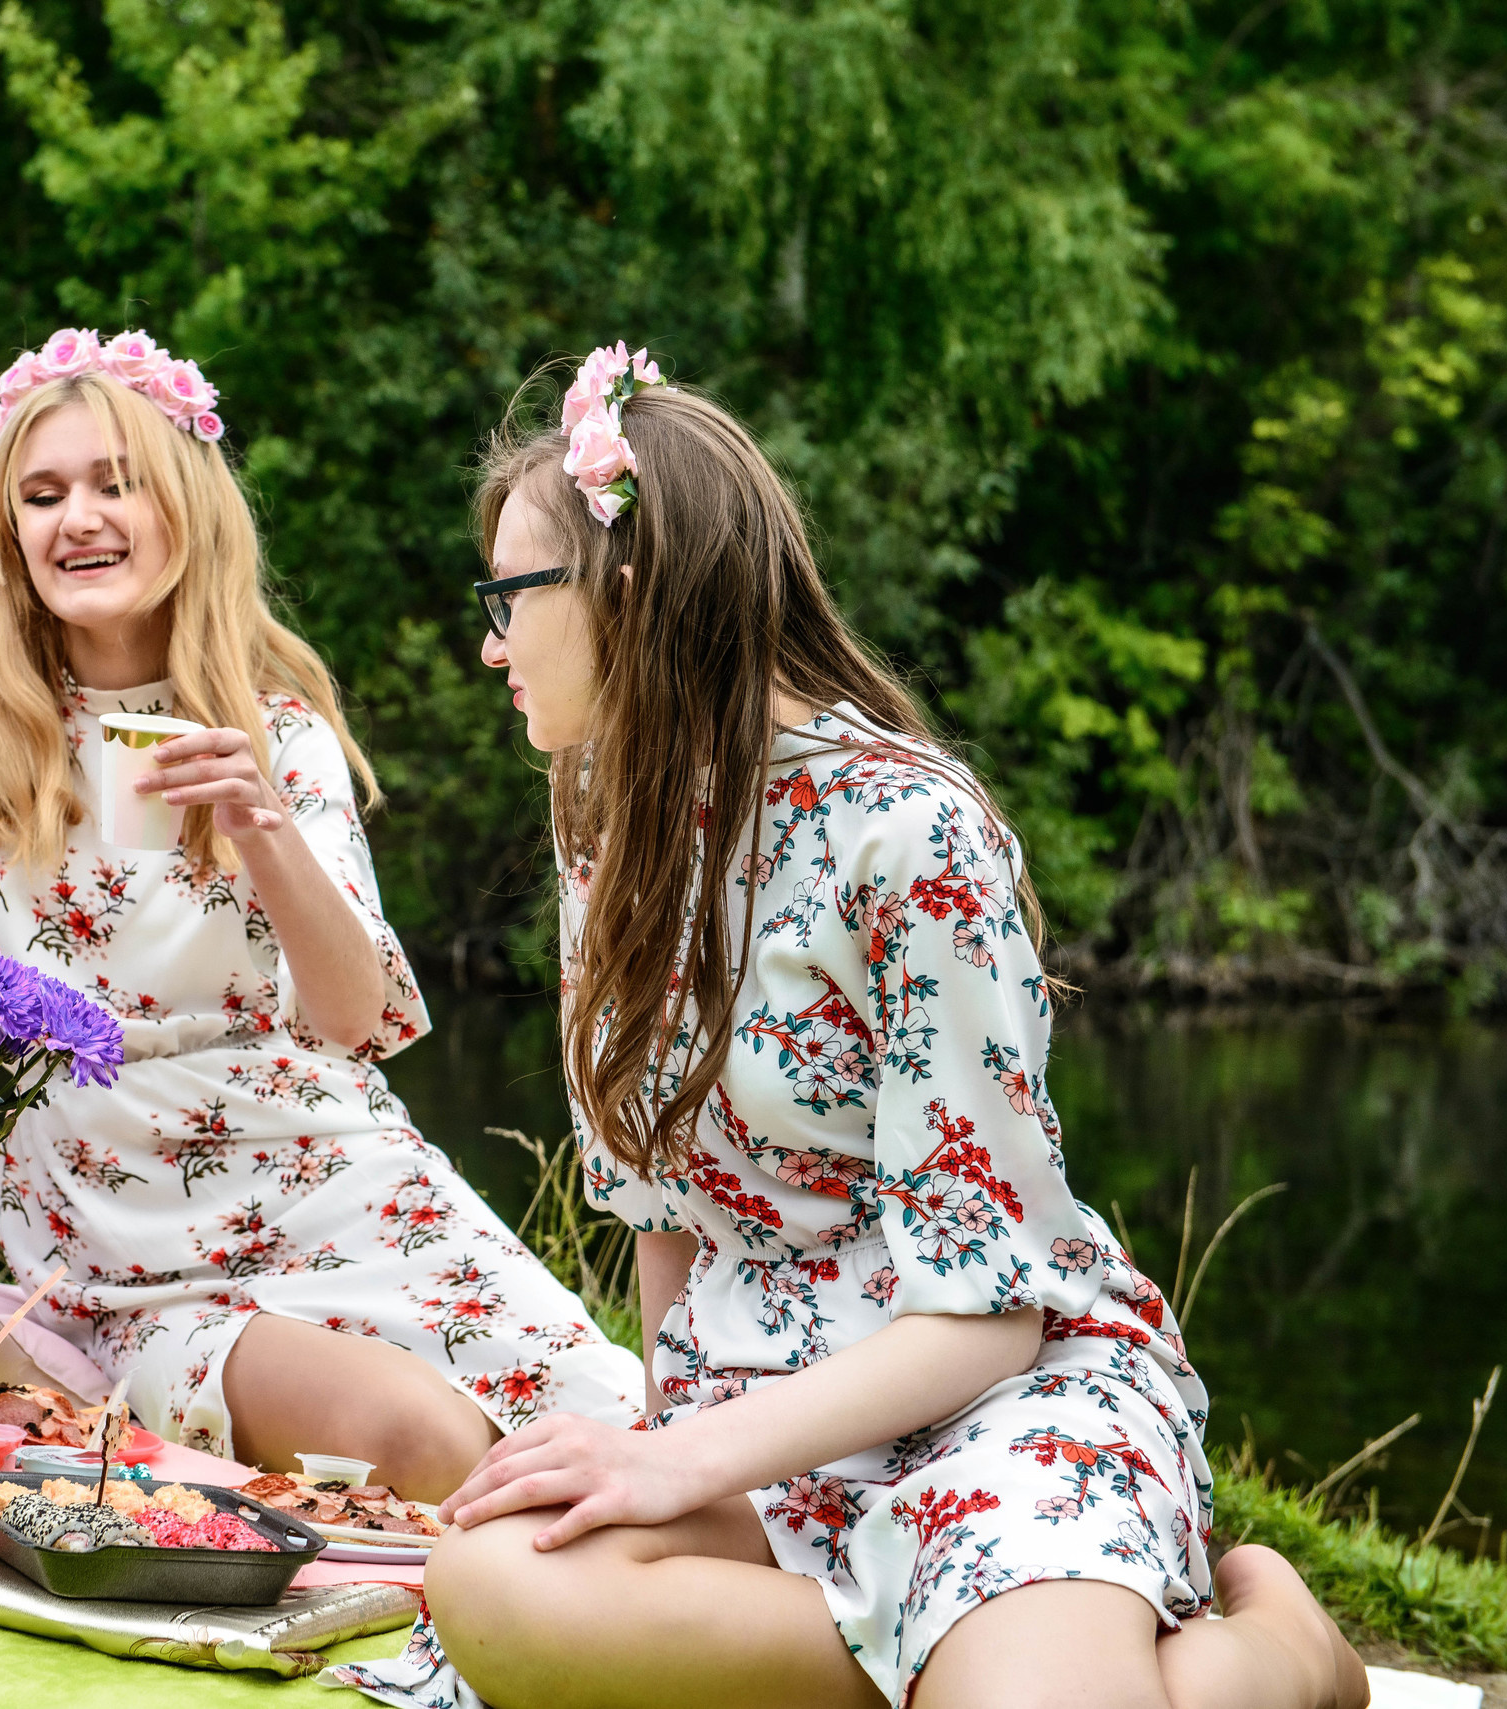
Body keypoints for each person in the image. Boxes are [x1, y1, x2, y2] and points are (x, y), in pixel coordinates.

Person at [342, 349, 1368, 1709]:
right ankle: (952, 1664)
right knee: (493, 1578)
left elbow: (989, 1313)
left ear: (624, 594)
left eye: (503, 599)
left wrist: (673, 1471)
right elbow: (667, 1212)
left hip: (995, 1411)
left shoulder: (912, 831)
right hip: (757, 1431)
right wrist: (662, 1439)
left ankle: (1276, 1644)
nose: (486, 644)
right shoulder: (603, 817)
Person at [0, 328, 644, 1499]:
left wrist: (262, 827)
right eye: (42, 493)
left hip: (334, 1175)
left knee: (621, 1431)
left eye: (115, 483)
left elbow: (354, 1018)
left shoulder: (276, 727)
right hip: (124, 1258)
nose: (79, 516)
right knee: (430, 1445)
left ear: (185, 505)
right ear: (9, 532)